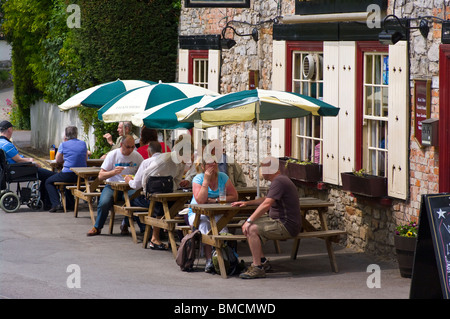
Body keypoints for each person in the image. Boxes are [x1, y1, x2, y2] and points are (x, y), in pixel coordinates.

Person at [231, 156, 302, 279]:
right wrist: (247, 203)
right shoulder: (279, 180)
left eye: (262, 168)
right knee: (249, 224)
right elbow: (266, 199)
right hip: (282, 222)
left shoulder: (279, 181)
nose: (261, 171)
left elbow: (267, 204)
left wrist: (249, 220)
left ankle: (257, 267)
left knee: (251, 228)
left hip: (285, 225)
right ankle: (262, 261)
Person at [124, 136, 192, 249]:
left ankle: (163, 238)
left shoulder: (181, 163)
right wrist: (146, 191)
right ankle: (156, 238)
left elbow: (177, 180)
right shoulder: (165, 159)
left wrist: (176, 186)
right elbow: (145, 176)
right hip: (151, 194)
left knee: (174, 204)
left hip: (165, 193)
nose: (188, 160)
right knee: (160, 204)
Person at [188, 153, 238, 273]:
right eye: (210, 163)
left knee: (221, 226)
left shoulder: (223, 177)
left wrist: (215, 200)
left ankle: (223, 258)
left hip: (217, 210)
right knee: (204, 224)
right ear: (204, 166)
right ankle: (209, 259)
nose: (214, 165)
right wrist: (206, 181)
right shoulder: (198, 179)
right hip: (197, 213)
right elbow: (200, 200)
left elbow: (234, 196)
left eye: (215, 162)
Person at [87, 135, 143, 236]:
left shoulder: (137, 156)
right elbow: (100, 176)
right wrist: (113, 172)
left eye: (132, 147)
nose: (130, 149)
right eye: (128, 147)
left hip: (129, 186)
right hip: (112, 186)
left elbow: (143, 172)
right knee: (104, 202)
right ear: (121, 145)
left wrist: (135, 178)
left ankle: (128, 224)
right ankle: (97, 226)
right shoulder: (113, 155)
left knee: (136, 200)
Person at [0, 120, 54, 209]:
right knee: (50, 176)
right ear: (9, 129)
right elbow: (18, 160)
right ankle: (47, 202)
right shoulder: (6, 144)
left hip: (9, 170)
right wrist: (32, 161)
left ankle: (44, 199)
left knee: (46, 175)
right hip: (19, 170)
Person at [45, 126, 88, 212]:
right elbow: (85, 158)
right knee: (66, 183)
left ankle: (56, 204)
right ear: (76, 134)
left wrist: (66, 160)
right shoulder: (83, 143)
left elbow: (58, 160)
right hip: (82, 175)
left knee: (48, 181)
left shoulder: (63, 144)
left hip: (68, 174)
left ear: (66, 135)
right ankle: (70, 204)